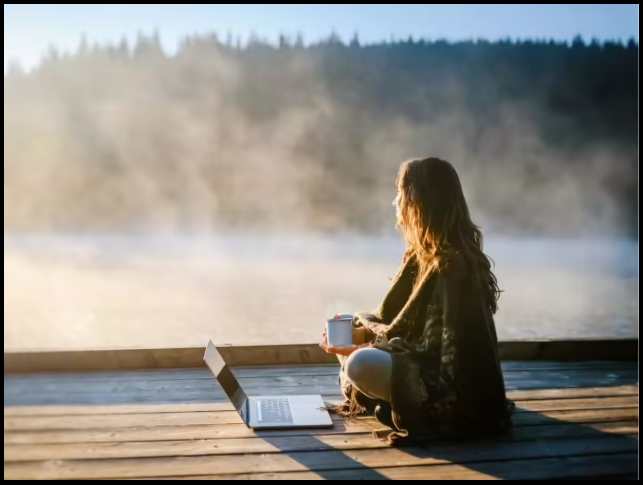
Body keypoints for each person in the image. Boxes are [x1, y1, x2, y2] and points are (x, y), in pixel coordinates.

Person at [320, 157, 514, 444]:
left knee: (359, 364)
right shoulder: (418, 257)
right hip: (416, 358)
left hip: (451, 390)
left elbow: (438, 351)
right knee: (345, 329)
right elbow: (396, 325)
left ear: (420, 201)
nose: (395, 202)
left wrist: (359, 348)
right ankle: (385, 402)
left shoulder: (453, 267)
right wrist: (356, 336)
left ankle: (393, 404)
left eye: (401, 194)